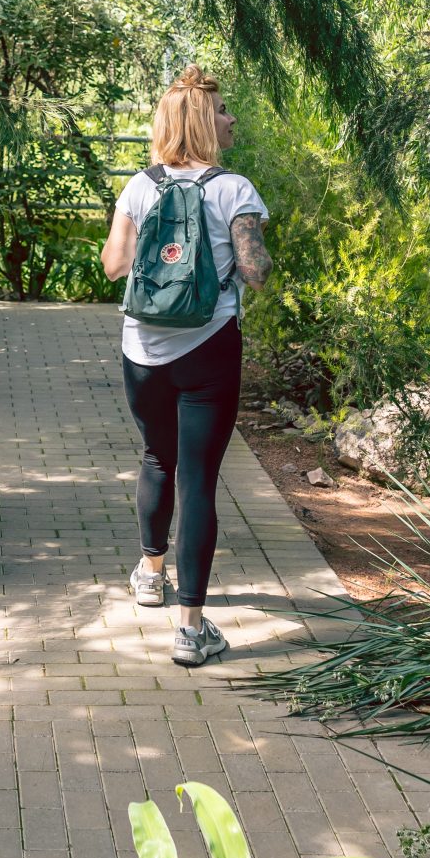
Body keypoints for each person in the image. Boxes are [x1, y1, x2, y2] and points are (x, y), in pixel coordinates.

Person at [100, 65, 271, 666]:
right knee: (198, 478)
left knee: (155, 456)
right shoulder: (236, 189)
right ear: (203, 123)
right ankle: (191, 631)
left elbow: (113, 266)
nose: (231, 119)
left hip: (141, 351)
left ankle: (150, 574)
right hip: (209, 345)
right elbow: (253, 271)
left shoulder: (139, 187)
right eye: (223, 111)